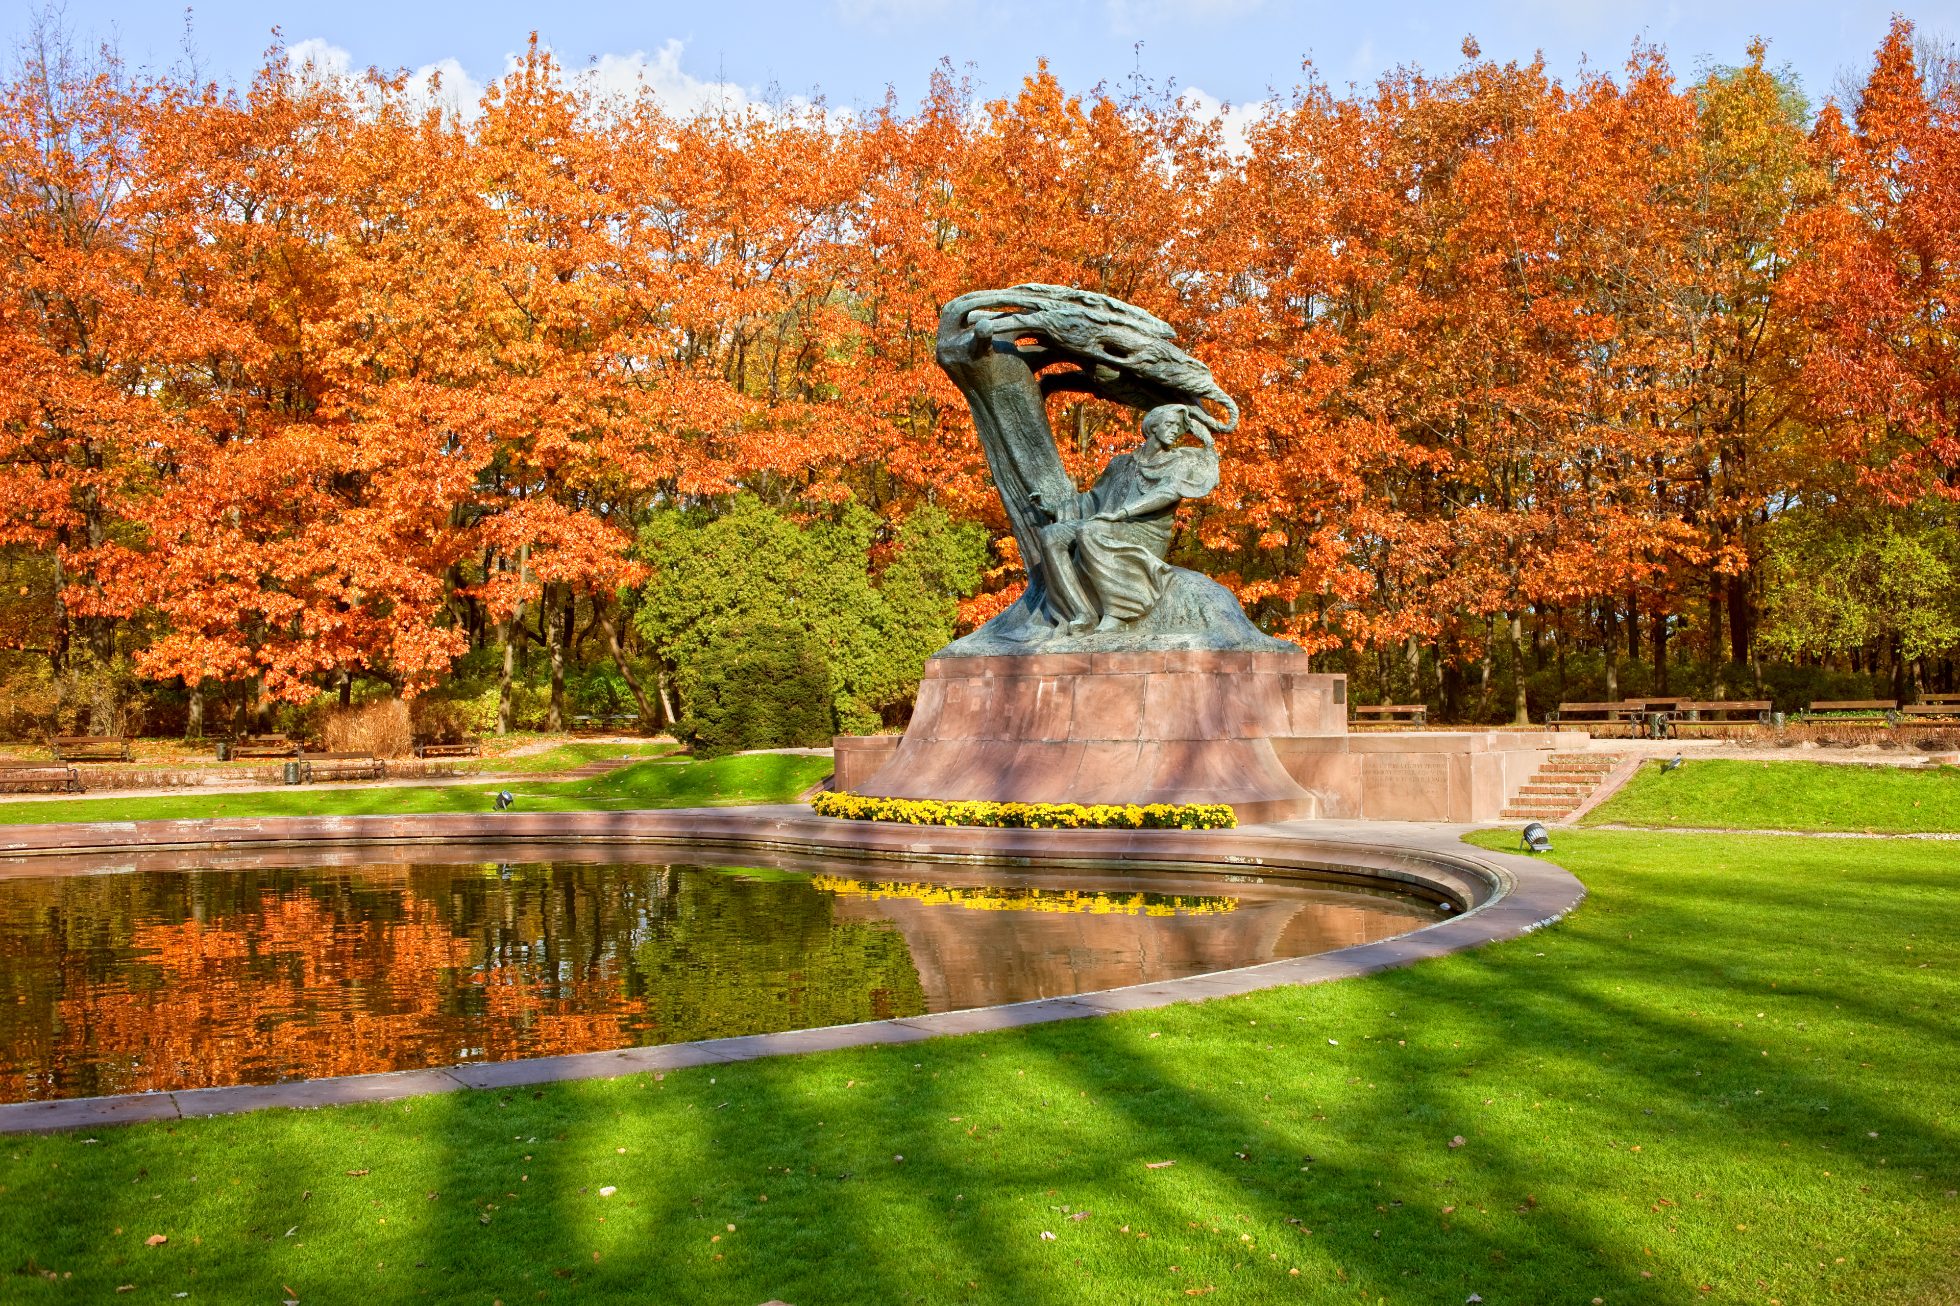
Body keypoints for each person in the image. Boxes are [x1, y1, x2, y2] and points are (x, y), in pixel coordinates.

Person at [1036, 404, 1220, 634]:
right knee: (1050, 535)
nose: (1175, 431)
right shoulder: (1120, 463)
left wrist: (1123, 513)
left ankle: (1119, 613)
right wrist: (1054, 510)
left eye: (1179, 428)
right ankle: (1081, 613)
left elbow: (1167, 493)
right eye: (1170, 424)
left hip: (1144, 531)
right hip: (1108, 524)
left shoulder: (1177, 462)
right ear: (1153, 426)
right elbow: (1093, 499)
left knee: (1090, 531)